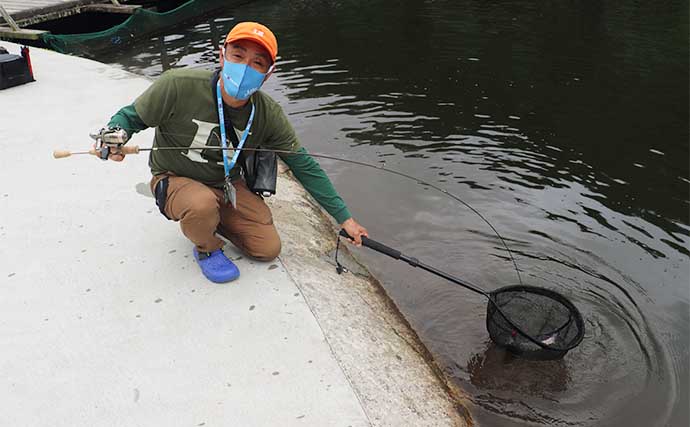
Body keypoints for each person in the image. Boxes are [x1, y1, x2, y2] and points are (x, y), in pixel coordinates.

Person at [98, 21, 368, 283]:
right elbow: (130, 117)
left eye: (258, 63)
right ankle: (206, 246)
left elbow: (303, 164)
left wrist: (345, 219)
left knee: (267, 248)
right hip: (175, 176)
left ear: (269, 72)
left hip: (225, 183)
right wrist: (114, 138)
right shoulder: (178, 84)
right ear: (222, 55)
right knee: (200, 204)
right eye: (238, 55)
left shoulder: (267, 113)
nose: (245, 67)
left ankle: (209, 218)